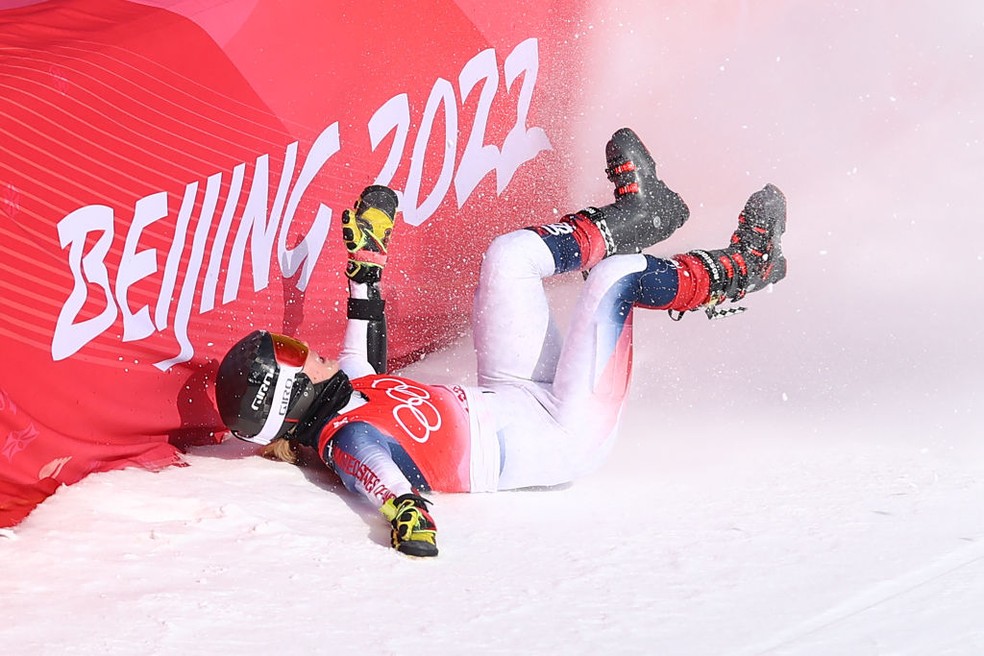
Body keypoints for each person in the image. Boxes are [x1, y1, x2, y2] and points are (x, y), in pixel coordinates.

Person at [214, 128, 787, 557]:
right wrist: (408, 515)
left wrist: (366, 257)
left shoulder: (350, 388)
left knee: (509, 257)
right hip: (568, 429)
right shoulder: (348, 438)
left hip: (514, 389)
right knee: (618, 279)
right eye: (290, 354)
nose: (301, 347)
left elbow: (363, 329)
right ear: (286, 396)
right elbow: (375, 473)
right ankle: (745, 267)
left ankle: (640, 214)